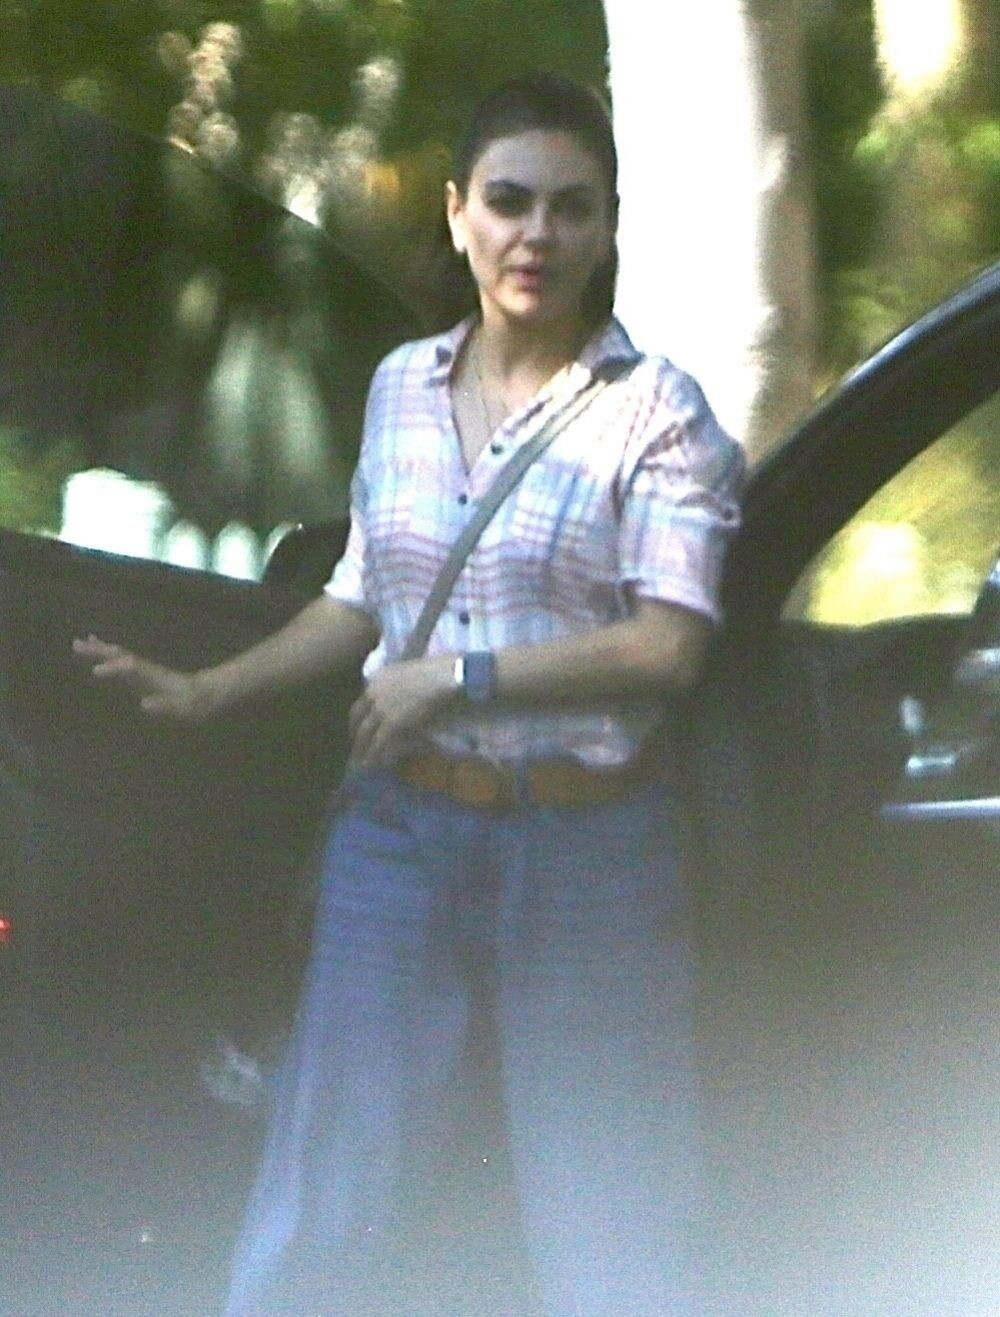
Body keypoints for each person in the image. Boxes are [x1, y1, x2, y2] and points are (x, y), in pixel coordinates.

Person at [75, 72, 745, 1316]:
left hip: (588, 847)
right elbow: (361, 596)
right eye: (508, 201)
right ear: (456, 213)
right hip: (401, 837)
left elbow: (667, 646)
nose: (536, 234)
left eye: (570, 208)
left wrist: (459, 680)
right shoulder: (400, 388)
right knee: (320, 1207)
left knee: (615, 1227)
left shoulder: (658, 414)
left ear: (608, 226)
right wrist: (208, 692)